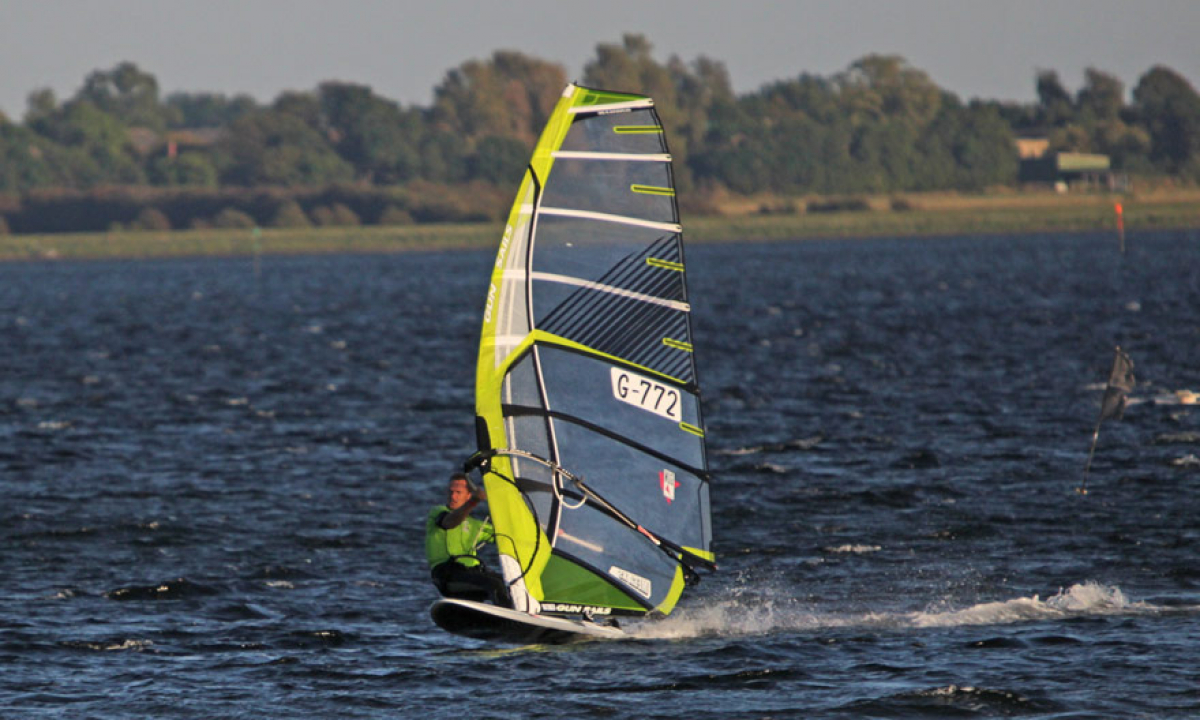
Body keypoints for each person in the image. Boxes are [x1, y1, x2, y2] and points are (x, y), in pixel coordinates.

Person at [425, 472, 509, 606]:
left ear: (468, 495)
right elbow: (450, 522)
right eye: (451, 492)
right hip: (447, 575)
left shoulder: (476, 525)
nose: (453, 496)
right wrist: (473, 502)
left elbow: (507, 536)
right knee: (495, 585)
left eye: (458, 492)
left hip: (471, 574)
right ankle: (509, 622)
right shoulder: (438, 513)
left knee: (510, 584)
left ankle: (522, 616)